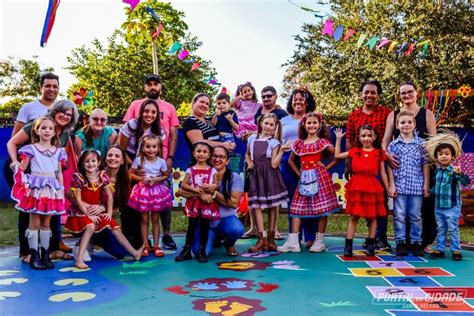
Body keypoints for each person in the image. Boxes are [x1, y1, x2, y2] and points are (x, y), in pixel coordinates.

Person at [7, 100, 79, 263]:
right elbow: (12, 142)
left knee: (50, 213)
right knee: (29, 214)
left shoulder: (65, 134)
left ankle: (50, 250)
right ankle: (29, 253)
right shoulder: (36, 125)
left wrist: (59, 185)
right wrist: (16, 163)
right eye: (62, 111)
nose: (65, 116)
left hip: (50, 180)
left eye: (69, 114)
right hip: (30, 172)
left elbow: (60, 165)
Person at [123, 74, 179, 250]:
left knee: (162, 200)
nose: (152, 87)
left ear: (160, 86)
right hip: (133, 159)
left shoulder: (167, 113)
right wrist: (135, 165)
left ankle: (164, 237)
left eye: (156, 84)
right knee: (134, 203)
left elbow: (173, 136)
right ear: (145, 87)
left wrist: (169, 158)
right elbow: (122, 147)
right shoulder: (134, 110)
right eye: (149, 84)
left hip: (156, 161)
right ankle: (135, 239)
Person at [382, 81, 437, 253]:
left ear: (416, 93)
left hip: (421, 165)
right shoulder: (394, 115)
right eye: (403, 93)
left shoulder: (426, 114)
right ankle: (402, 242)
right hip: (399, 168)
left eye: (410, 92)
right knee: (400, 212)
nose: (407, 95)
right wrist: (386, 155)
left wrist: (430, 160)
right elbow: (386, 138)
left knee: (422, 210)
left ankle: (422, 241)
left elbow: (433, 141)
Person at [65, 149, 143, 269]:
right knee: (90, 226)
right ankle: (82, 246)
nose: (113, 158)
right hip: (83, 213)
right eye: (110, 155)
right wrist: (87, 208)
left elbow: (114, 203)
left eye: (117, 156)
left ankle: (134, 252)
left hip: (100, 217)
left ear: (122, 161)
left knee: (120, 250)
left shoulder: (117, 180)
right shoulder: (82, 177)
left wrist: (105, 210)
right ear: (104, 159)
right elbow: (70, 195)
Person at [278, 113, 339, 253]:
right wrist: (298, 172)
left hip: (320, 177)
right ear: (304, 125)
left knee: (322, 209)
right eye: (309, 123)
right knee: (296, 208)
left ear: (320, 125)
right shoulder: (298, 143)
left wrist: (325, 167)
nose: (312, 125)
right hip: (304, 178)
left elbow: (337, 156)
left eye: (314, 123)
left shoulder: (322, 142)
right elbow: (290, 161)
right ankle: (293, 242)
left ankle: (319, 241)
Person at [11, 116, 67, 270]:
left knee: (46, 223)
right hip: (36, 188)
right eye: (43, 128)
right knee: (34, 222)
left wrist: (61, 189)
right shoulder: (31, 149)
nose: (47, 131)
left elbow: (59, 172)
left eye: (50, 128)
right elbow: (23, 167)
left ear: (55, 132)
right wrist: (15, 165)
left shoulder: (58, 152)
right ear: (37, 130)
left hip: (51, 189)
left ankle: (46, 254)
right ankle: (34, 254)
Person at [346, 80, 392, 250]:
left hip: (379, 161)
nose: (369, 95)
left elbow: (390, 137)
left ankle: (381, 237)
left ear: (378, 95)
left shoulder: (387, 113)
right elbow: (350, 140)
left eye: (373, 92)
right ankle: (369, 238)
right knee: (363, 201)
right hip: (359, 163)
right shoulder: (354, 115)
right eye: (366, 92)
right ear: (361, 94)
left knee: (379, 201)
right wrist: (348, 164)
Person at [176, 145, 244, 257]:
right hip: (204, 220)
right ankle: (213, 239)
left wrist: (214, 193)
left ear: (227, 161)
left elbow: (234, 203)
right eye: (215, 156)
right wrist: (201, 193)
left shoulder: (234, 177)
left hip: (225, 219)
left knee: (236, 229)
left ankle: (229, 243)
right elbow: (179, 191)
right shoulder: (196, 171)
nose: (217, 159)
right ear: (209, 157)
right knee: (198, 252)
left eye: (221, 157)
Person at [334, 125, 389, 257]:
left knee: (372, 217)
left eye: (369, 136)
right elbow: (337, 155)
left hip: (372, 187)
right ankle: (348, 245)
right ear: (359, 137)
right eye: (363, 136)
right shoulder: (355, 151)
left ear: (374, 137)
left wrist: (387, 188)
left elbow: (383, 172)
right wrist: (338, 139)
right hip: (357, 186)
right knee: (354, 216)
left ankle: (371, 244)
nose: (366, 138)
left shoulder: (378, 153)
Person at [118, 99, 163, 249]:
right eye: (146, 111)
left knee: (144, 207)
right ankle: (131, 239)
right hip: (129, 161)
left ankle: (144, 241)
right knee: (130, 203)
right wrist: (135, 165)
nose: (149, 115)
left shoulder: (159, 131)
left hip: (146, 169)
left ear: (157, 114)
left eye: (153, 112)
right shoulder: (132, 125)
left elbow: (158, 153)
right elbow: (121, 149)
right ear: (141, 112)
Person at [387, 111, 430, 256]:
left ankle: (416, 242)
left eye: (409, 122)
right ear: (397, 125)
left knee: (415, 215)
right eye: (403, 122)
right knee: (399, 215)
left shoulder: (421, 144)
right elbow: (390, 166)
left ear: (414, 124)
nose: (406, 125)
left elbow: (425, 164)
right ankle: (401, 242)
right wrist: (391, 184)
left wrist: (425, 184)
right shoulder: (393, 145)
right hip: (399, 186)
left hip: (416, 185)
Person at [279, 88, 317, 246]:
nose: (298, 101)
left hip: (308, 160)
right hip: (287, 161)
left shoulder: (313, 119)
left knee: (309, 197)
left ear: (307, 102)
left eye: (302, 99)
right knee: (293, 200)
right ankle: (294, 236)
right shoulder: (283, 121)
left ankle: (310, 237)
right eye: (295, 99)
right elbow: (278, 142)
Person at [246, 113, 289, 253]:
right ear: (261, 123)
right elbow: (247, 154)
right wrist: (249, 163)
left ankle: (271, 239)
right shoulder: (252, 138)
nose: (268, 127)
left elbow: (275, 164)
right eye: (266, 123)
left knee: (272, 206)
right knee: (256, 206)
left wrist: (282, 151)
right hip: (256, 176)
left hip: (270, 175)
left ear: (275, 127)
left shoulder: (275, 142)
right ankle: (261, 238)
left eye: (272, 125)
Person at [424, 131, 471, 261]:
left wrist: (460, 174)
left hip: (452, 206)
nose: (443, 156)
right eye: (440, 154)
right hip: (439, 206)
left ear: (452, 156)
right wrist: (429, 191)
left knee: (453, 229)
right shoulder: (438, 172)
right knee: (441, 228)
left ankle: (456, 250)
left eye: (446, 154)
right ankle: (440, 249)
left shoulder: (454, 171)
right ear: (436, 157)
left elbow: (466, 182)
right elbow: (437, 188)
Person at [128, 135, 172, 257]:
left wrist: (157, 179)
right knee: (144, 220)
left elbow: (165, 176)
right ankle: (145, 245)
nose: (151, 149)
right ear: (143, 148)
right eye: (148, 146)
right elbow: (130, 174)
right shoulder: (139, 160)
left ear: (158, 148)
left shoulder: (161, 162)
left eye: (154, 147)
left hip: (156, 192)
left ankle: (156, 245)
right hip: (142, 192)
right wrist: (141, 178)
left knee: (155, 220)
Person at [175, 142, 219, 263]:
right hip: (193, 202)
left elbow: (216, 185)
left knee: (205, 225)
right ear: (194, 154)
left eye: (205, 152)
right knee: (192, 226)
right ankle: (187, 249)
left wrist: (211, 186)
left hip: (206, 203)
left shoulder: (212, 170)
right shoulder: (190, 169)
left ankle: (202, 250)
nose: (201, 154)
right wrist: (195, 189)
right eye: (199, 151)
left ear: (209, 155)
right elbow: (183, 184)